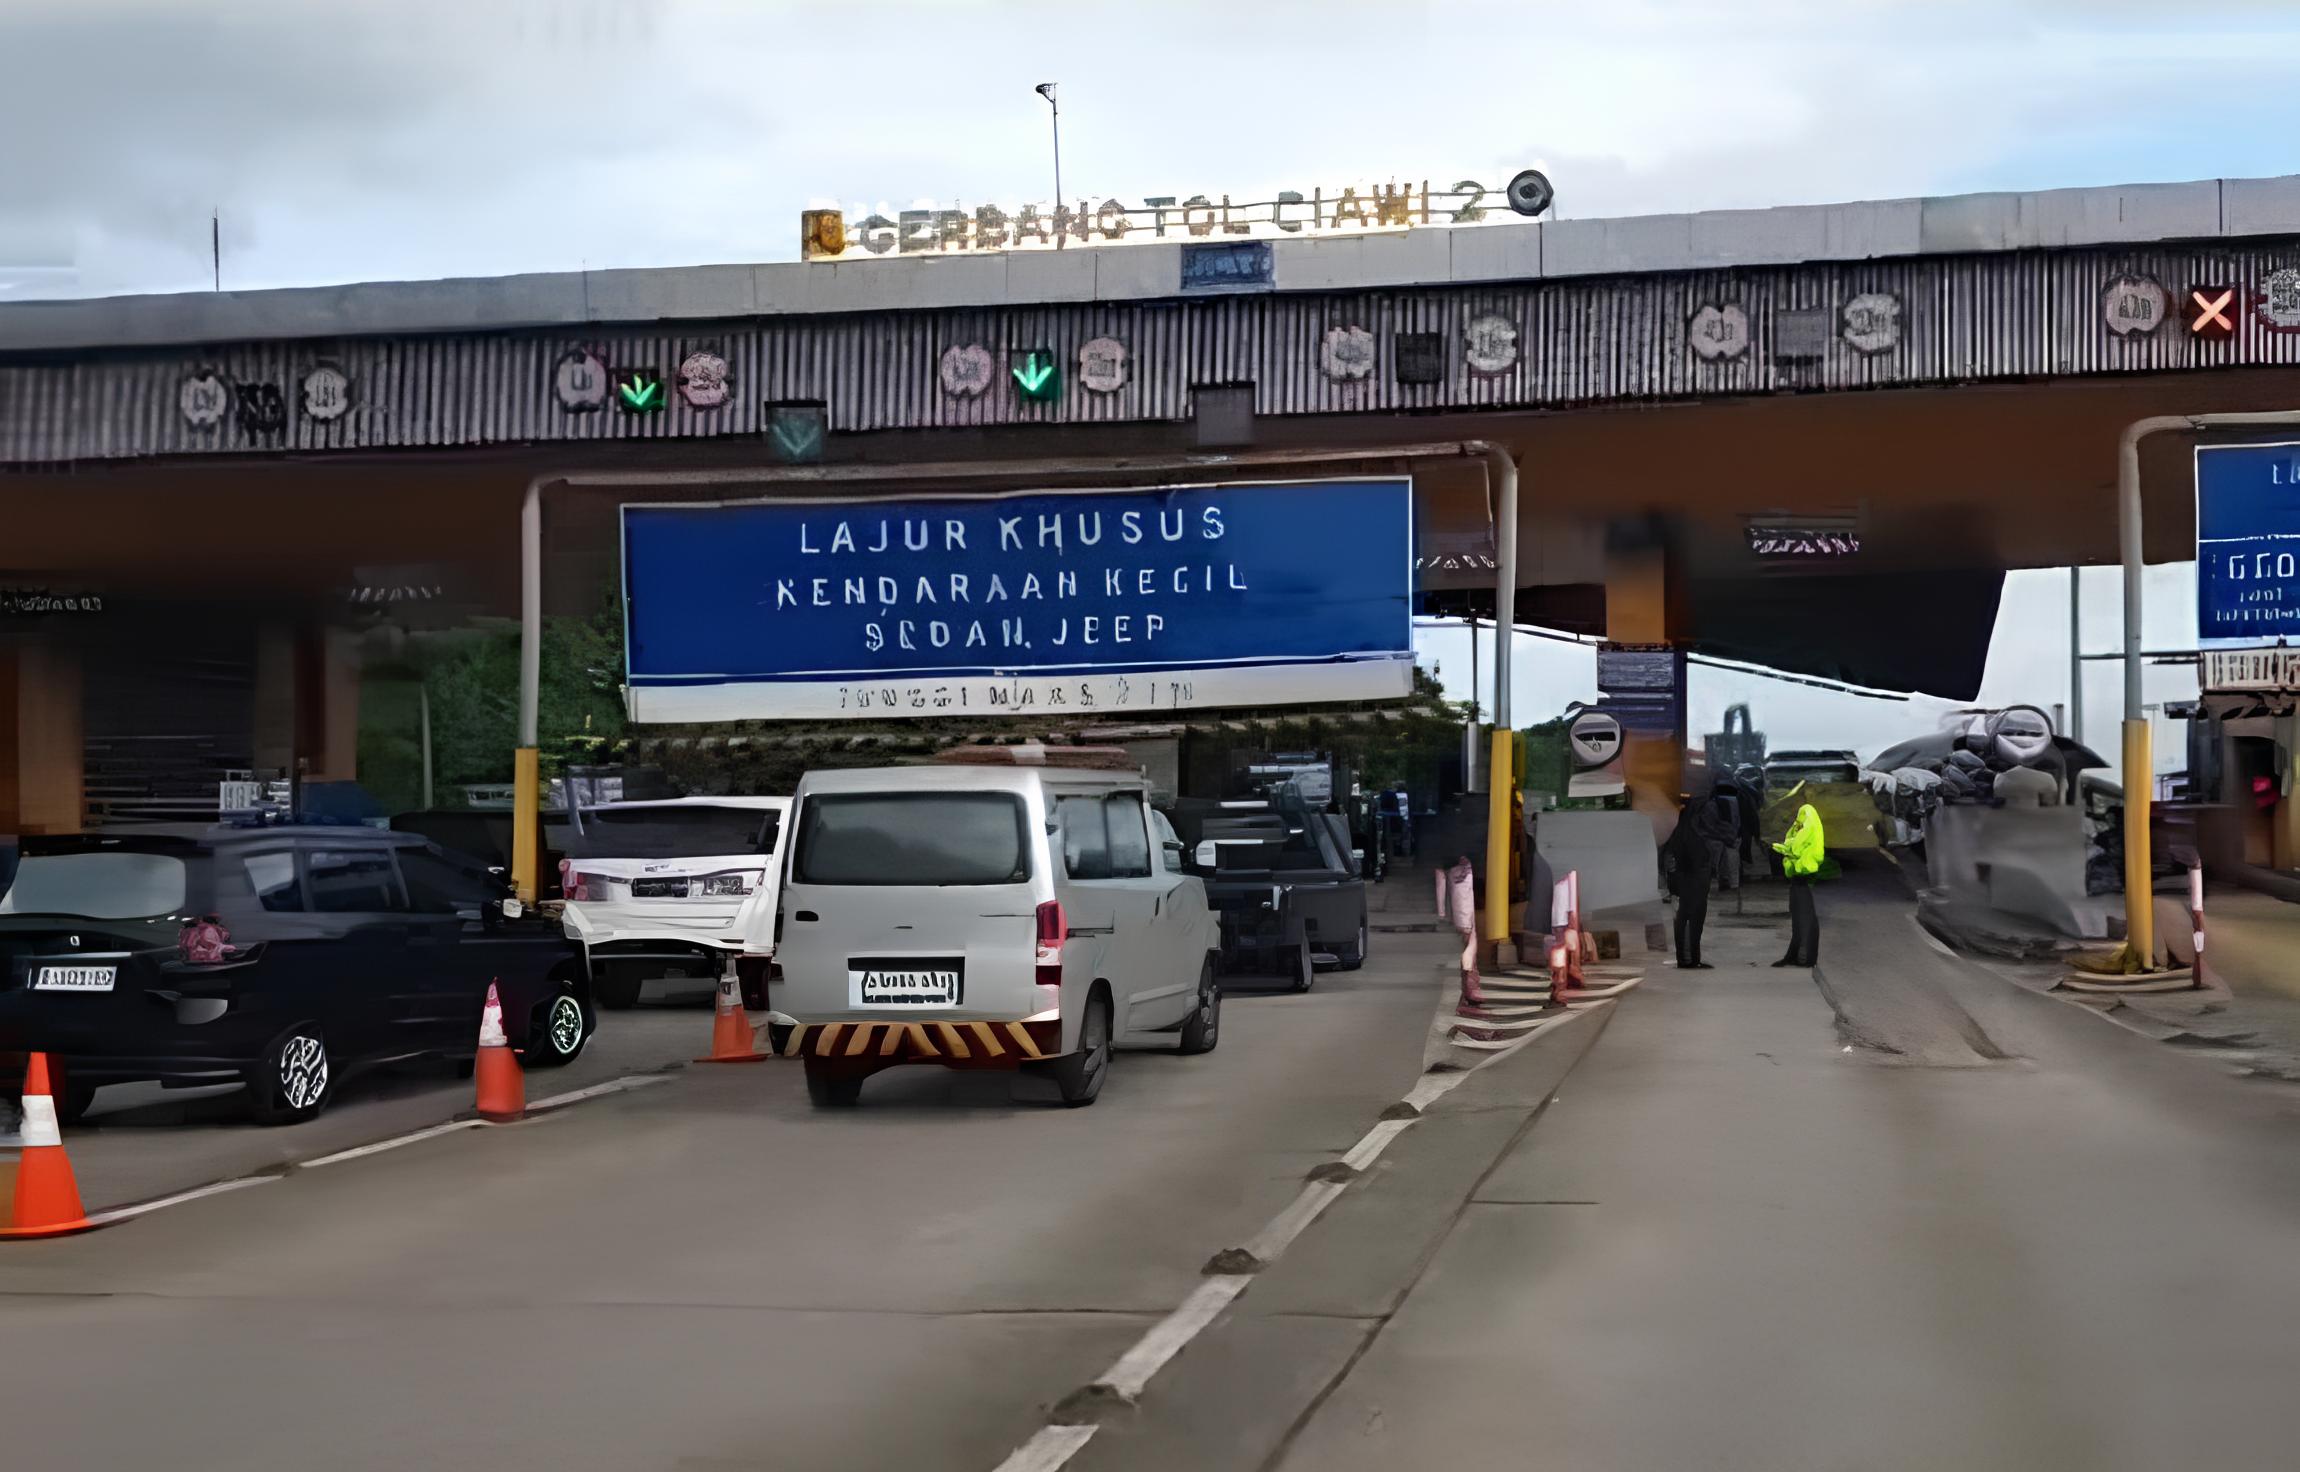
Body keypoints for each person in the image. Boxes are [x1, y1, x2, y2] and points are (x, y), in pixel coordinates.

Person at [1661, 797, 1717, 969]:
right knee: (1691, 919)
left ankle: (1689, 958)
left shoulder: (1677, 828)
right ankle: (1689, 959)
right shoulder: (1693, 831)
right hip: (1693, 881)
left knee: (1685, 918)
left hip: (1683, 881)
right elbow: (1694, 859)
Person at [1772, 801, 1826, 967]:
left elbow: (1795, 848)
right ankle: (1798, 954)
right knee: (1799, 915)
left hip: (1804, 876)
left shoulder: (1808, 830)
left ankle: (1804, 955)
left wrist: (1781, 848)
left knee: (1804, 915)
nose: (1797, 822)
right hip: (1799, 876)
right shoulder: (1808, 829)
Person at [1434, 851, 1485, 1013]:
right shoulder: (1461, 865)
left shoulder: (1453, 862)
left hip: (1466, 909)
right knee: (1470, 945)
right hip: (1465, 910)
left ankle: (1469, 988)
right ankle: (1471, 987)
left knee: (1470, 945)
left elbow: (1440, 881)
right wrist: (1442, 911)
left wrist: (1442, 911)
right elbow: (1440, 880)